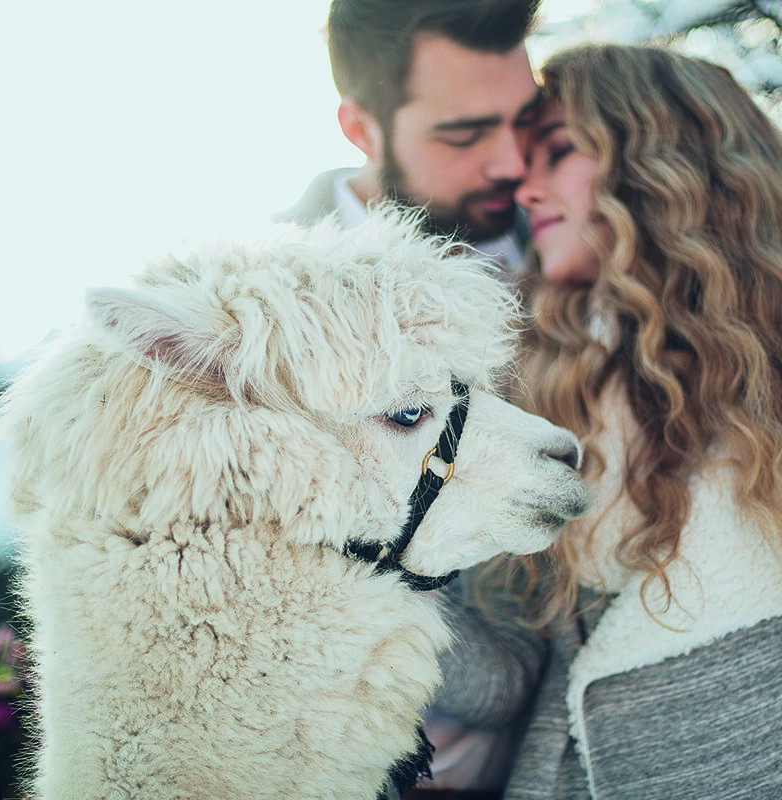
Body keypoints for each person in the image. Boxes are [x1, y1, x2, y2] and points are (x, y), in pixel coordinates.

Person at [424, 44, 782, 800]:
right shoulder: (532, 388)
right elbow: (508, 666)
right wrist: (370, 582)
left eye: (555, 153)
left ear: (666, 163)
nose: (524, 186)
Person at [274, 0, 543, 273]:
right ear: (360, 130)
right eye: (465, 136)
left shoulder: (554, 238)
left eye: (526, 119)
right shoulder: (269, 291)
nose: (515, 165)